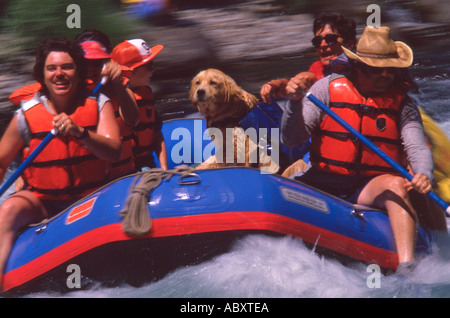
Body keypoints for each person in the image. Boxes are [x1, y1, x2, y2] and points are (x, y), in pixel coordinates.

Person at [281, 26, 446, 272]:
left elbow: (415, 145)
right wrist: (294, 104)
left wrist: (423, 173)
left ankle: (408, 267)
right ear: (358, 66)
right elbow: (291, 139)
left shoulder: (403, 104)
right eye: (378, 70)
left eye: (392, 69)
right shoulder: (325, 89)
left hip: (366, 186)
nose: (386, 76)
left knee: (397, 185)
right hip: (321, 181)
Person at [0, 38, 121, 287]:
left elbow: (114, 152)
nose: (59, 74)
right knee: (8, 210)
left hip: (91, 199)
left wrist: (82, 133)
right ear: (42, 75)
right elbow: (2, 161)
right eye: (52, 68)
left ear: (78, 72)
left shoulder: (99, 104)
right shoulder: (26, 116)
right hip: (43, 202)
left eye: (67, 67)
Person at [260, 12, 357, 103]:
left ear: (349, 44)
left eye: (330, 39)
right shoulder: (316, 70)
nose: (322, 45)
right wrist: (278, 84)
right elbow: (299, 83)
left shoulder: (364, 71)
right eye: (318, 41)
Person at [111, 39, 168, 171]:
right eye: (149, 66)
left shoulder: (146, 93)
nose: (153, 70)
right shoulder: (114, 100)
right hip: (126, 169)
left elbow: (156, 134)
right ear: (131, 71)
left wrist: (165, 169)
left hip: (146, 163)